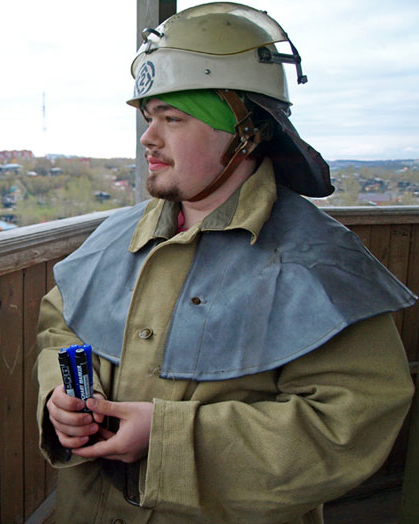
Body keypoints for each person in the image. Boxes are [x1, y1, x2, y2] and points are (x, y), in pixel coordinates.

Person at [35, 3, 416, 523]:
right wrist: (61, 397)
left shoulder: (321, 264)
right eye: (149, 117)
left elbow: (347, 424)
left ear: (245, 133)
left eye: (173, 118)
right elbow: (59, 330)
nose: (149, 137)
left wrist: (168, 440)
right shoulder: (112, 239)